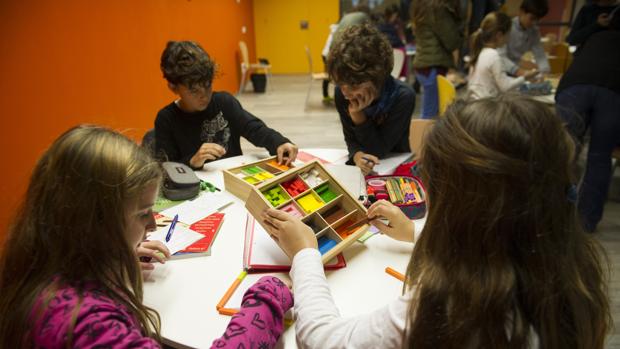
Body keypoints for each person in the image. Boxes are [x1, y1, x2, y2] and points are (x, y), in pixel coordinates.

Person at [261, 95, 611, 348]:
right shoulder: (574, 277)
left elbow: (323, 340)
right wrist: (414, 231)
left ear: (461, 210)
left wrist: (305, 254)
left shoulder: (447, 307)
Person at [0, 125, 293, 348]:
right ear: (96, 223)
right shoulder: (89, 325)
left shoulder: (38, 267)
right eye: (143, 213)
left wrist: (109, 256)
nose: (152, 225)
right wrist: (267, 296)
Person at [155, 41, 298, 170]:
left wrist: (278, 142)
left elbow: (254, 128)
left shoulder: (224, 102)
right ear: (173, 88)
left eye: (207, 85)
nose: (204, 95)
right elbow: (166, 169)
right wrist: (192, 161)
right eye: (194, 91)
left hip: (236, 178)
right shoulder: (166, 120)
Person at [556, 15, 620, 233]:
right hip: (613, 94)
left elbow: (573, 45)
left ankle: (550, 215)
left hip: (574, 88)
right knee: (600, 158)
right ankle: (587, 222)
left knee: (563, 152)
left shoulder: (593, 36)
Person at [327, 23, 415, 175]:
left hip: (395, 167)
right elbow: (351, 139)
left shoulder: (403, 96)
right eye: (340, 83)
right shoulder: (341, 93)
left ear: (377, 77)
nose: (345, 93)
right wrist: (356, 155)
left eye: (354, 85)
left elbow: (379, 150)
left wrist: (358, 117)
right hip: (364, 170)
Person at [468, 12, 538, 99]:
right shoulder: (493, 55)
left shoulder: (481, 51)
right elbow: (505, 87)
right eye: (508, 34)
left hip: (476, 103)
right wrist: (525, 77)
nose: (509, 38)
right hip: (486, 106)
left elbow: (502, 80)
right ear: (499, 35)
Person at [411, 0, 462, 118]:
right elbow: (452, 40)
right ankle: (422, 137)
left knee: (430, 112)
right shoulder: (437, 9)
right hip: (433, 66)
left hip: (424, 64)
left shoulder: (420, 5)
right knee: (430, 116)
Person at [498, 0, 550, 77]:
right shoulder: (507, 26)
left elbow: (540, 54)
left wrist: (544, 71)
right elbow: (500, 57)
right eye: (532, 18)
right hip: (498, 69)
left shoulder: (534, 31)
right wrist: (519, 72)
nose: (534, 23)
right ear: (521, 12)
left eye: (537, 20)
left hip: (514, 70)